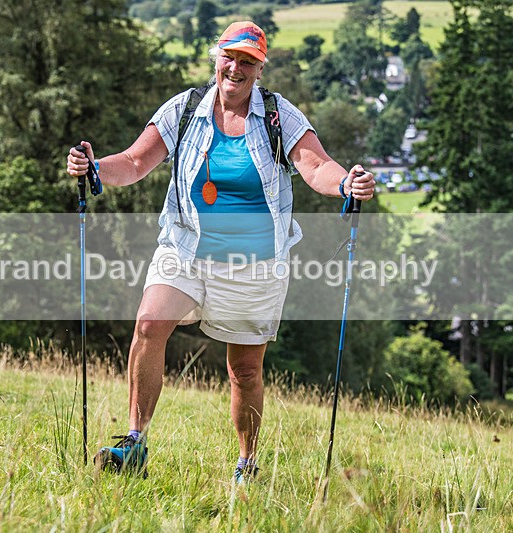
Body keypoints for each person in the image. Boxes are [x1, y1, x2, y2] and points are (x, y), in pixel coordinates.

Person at [66, 21, 376, 484]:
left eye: (248, 61)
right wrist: (94, 167)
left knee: (244, 371)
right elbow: (134, 162)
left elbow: (314, 166)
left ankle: (246, 463)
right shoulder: (186, 108)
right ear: (217, 58)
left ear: (260, 68)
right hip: (185, 247)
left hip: (255, 264)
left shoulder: (278, 115)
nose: (236, 67)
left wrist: (346, 183)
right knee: (149, 324)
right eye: (230, 56)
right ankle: (135, 441)